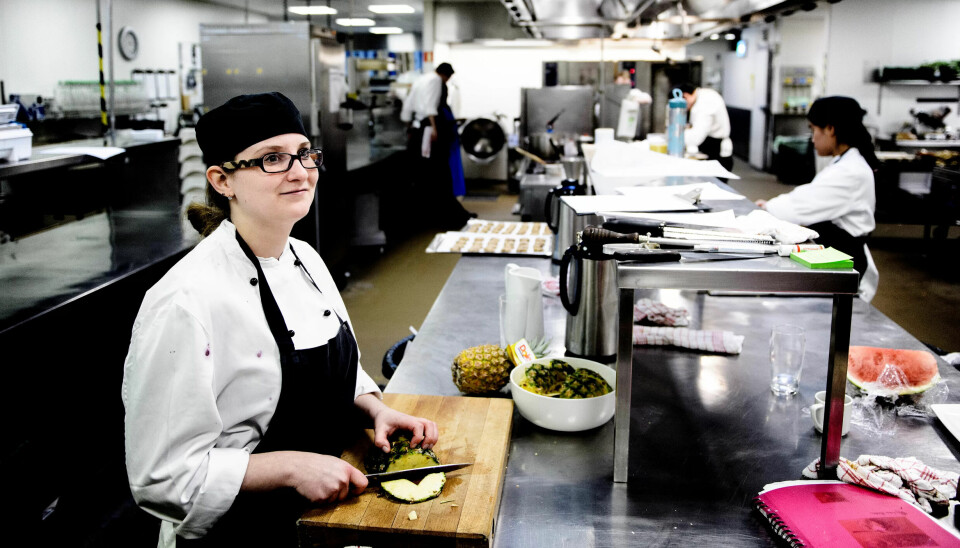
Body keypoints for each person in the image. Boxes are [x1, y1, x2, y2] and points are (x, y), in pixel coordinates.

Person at [122, 92, 439, 547]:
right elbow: (162, 477)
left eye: (304, 153)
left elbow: (333, 372)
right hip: (239, 533)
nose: (299, 171)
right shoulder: (185, 300)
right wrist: (290, 467)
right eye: (272, 158)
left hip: (324, 518)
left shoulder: (305, 258)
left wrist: (375, 409)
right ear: (222, 180)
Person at [757, 95, 878, 282]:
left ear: (830, 129)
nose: (813, 139)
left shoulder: (850, 171)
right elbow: (811, 195)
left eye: (813, 130)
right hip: (837, 250)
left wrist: (767, 207)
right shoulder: (846, 162)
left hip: (844, 258)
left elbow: (801, 206)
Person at [400, 62, 472, 228]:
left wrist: (410, 127)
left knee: (425, 174)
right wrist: (434, 128)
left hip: (418, 131)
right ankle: (450, 217)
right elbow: (431, 107)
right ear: (446, 75)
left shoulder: (421, 79)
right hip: (430, 131)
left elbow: (407, 108)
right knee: (440, 173)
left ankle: (431, 216)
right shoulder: (435, 81)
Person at [678, 82, 734, 171]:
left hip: (717, 152)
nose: (683, 108)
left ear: (685, 96)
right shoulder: (703, 95)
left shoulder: (706, 101)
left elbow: (696, 137)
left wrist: (677, 137)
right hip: (710, 147)